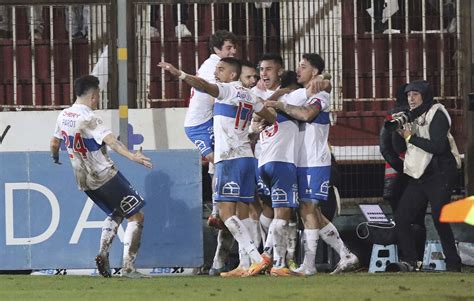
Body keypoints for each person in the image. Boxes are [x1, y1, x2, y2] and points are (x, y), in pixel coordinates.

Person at [158, 57, 276, 277]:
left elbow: (204, 86)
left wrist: (180, 74)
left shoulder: (227, 89)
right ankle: (244, 264)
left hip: (229, 158)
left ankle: (258, 259)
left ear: (232, 75)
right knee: (242, 212)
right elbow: (270, 115)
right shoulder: (251, 95)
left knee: (225, 212)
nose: (216, 72)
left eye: (221, 69)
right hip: (247, 158)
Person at [50, 75, 153, 279]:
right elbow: (112, 141)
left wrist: (55, 158)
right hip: (104, 175)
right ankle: (129, 268)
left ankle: (103, 253)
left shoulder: (64, 115)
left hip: (84, 180)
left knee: (117, 212)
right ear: (95, 96)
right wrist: (132, 155)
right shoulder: (90, 118)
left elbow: (54, 143)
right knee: (136, 216)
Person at [266, 53, 358, 275]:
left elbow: (307, 115)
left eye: (304, 66)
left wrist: (280, 105)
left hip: (315, 161)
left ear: (314, 72)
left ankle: (309, 265)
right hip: (300, 161)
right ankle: (346, 255)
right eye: (298, 66)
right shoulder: (301, 93)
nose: (299, 70)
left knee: (308, 208)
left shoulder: (322, 94)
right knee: (311, 212)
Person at [393, 80, 462, 272]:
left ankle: (453, 264)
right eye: (408, 95)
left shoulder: (437, 113)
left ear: (425, 95)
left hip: (441, 172)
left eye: (415, 94)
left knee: (440, 217)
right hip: (420, 173)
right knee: (402, 217)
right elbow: (399, 148)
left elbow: (439, 147)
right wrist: (398, 132)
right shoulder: (409, 116)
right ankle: (411, 262)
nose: (411, 98)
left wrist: (410, 137)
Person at [183, 30, 237, 229]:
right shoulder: (212, 66)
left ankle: (216, 211)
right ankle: (218, 208)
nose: (233, 51)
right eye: (229, 47)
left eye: (234, 47)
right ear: (217, 49)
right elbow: (216, 95)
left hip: (209, 121)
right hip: (198, 125)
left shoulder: (221, 65)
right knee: (219, 160)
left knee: (219, 161)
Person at [379, 83, 426, 261]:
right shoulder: (422, 114)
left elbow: (384, 147)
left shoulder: (392, 116)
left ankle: (405, 259)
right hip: (417, 174)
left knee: (400, 219)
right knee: (418, 219)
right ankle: (418, 259)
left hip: (395, 177)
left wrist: (401, 167)